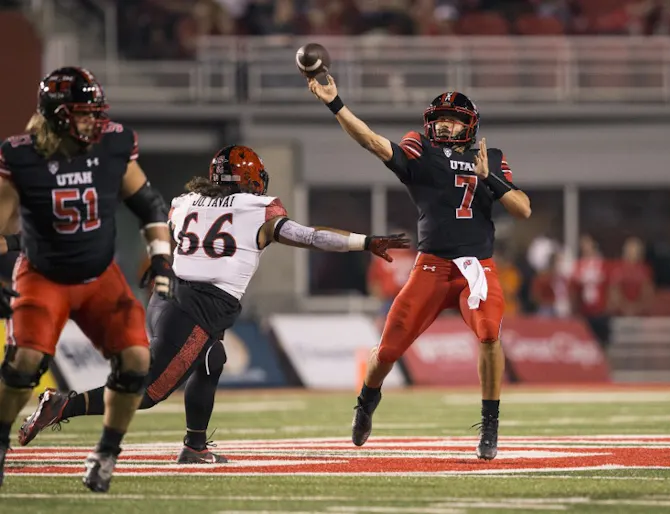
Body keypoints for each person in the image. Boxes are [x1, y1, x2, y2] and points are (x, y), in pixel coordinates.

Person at [18, 145, 409, 463]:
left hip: (169, 297)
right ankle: (62, 405)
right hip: (198, 305)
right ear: (252, 181)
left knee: (212, 360)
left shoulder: (184, 201)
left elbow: (170, 239)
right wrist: (365, 241)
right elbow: (309, 236)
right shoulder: (258, 208)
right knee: (150, 392)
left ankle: (194, 445)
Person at [308, 78, 531, 460]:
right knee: (389, 350)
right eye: (440, 118)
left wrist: (488, 177)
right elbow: (372, 141)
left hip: (476, 266)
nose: (444, 125)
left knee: (490, 334)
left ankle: (489, 423)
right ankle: (366, 401)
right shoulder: (421, 149)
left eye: (453, 119)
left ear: (470, 125)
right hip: (431, 267)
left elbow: (523, 209)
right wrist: (336, 105)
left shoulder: (489, 156)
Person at [0, 67, 175, 492]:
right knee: (24, 363)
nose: (93, 123)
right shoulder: (21, 155)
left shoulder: (113, 143)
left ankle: (106, 453)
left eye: (96, 113)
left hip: (100, 275)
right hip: (44, 275)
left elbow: (149, 203)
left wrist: (161, 258)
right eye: (83, 114)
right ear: (57, 115)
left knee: (136, 360)